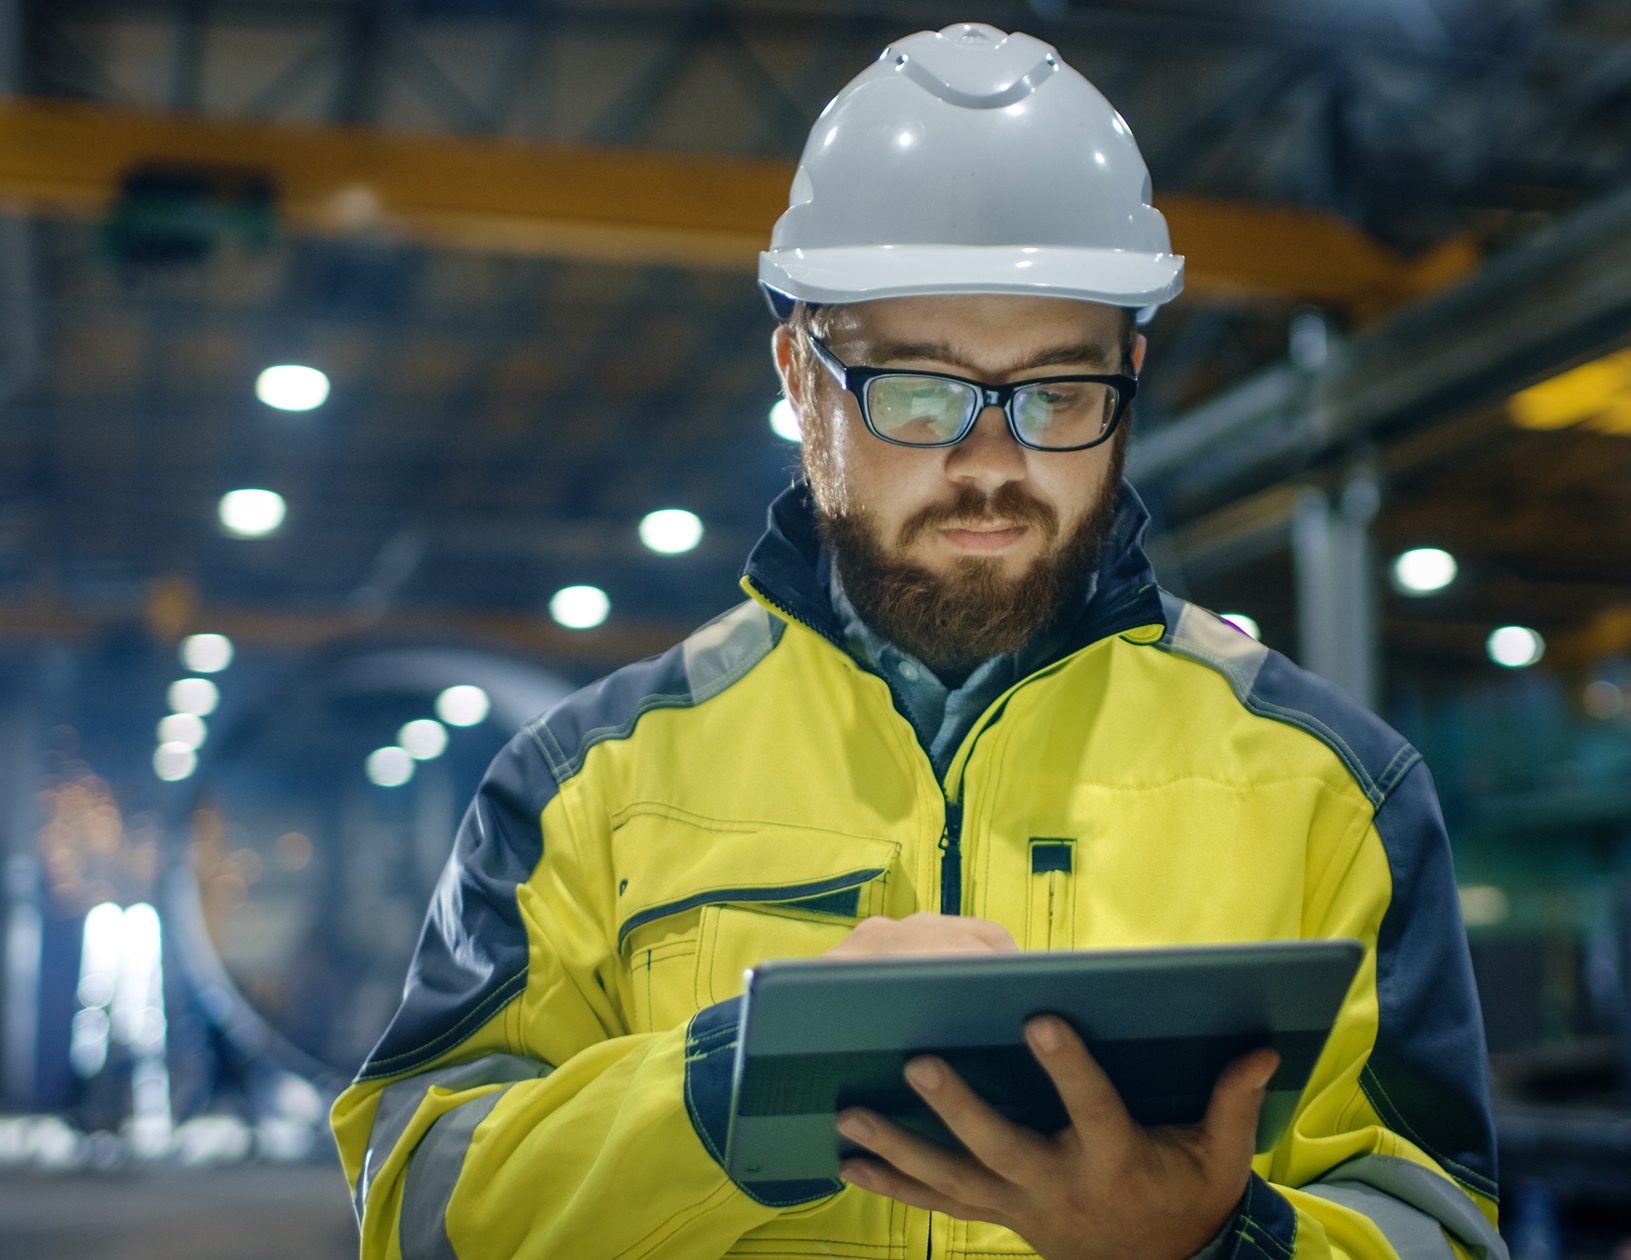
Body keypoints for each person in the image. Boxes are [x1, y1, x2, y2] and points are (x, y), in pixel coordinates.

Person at [331, 23, 1501, 1260]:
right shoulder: (588, 787)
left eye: (1058, 392)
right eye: (921, 393)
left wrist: (1214, 1245)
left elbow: (1442, 1226)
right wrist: (723, 1095)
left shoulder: (1330, 789)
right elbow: (416, 1209)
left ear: (1131, 373)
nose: (990, 465)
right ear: (799, 373)